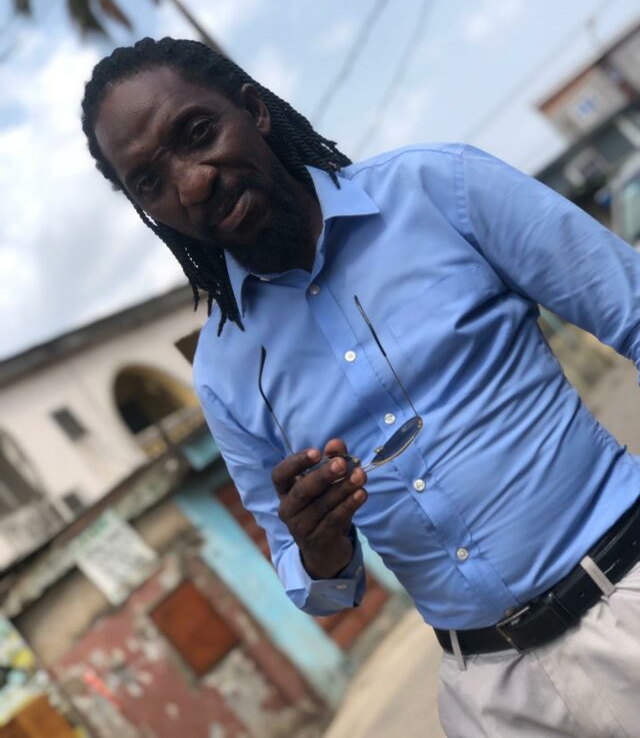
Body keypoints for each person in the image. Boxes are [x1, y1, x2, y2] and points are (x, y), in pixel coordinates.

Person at [82, 36, 640, 737]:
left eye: (197, 134)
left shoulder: (440, 188)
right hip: (495, 696)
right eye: (150, 182)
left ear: (254, 110)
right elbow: (314, 581)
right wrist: (318, 545)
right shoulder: (224, 372)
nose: (192, 184)